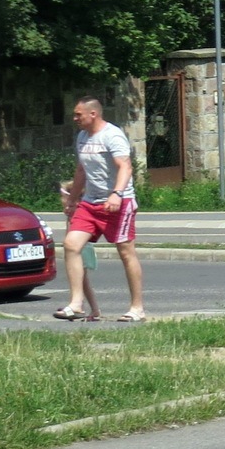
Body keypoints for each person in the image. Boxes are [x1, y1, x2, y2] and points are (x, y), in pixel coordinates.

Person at [57, 95, 144, 322]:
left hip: (118, 203)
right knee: (71, 245)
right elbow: (81, 171)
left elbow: (125, 166)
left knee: (126, 252)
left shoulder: (112, 135)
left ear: (93, 114)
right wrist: (72, 200)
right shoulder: (82, 137)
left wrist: (116, 194)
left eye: (78, 114)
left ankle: (137, 308)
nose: (75, 118)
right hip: (90, 203)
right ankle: (76, 304)